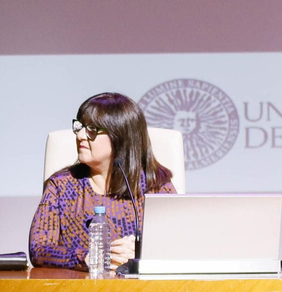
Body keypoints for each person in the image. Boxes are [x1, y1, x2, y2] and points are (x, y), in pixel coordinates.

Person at [29, 93, 176, 270]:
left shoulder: (156, 187)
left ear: (119, 137)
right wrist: (88, 257)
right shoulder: (62, 185)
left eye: (92, 129)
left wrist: (139, 255)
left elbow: (180, 245)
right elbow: (39, 250)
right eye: (80, 127)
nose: (80, 135)